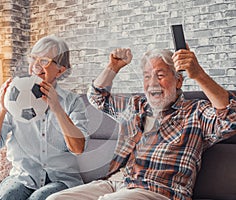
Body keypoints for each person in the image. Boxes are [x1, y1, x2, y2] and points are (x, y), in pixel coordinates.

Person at [47, 45, 236, 200]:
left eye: (160, 75)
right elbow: (97, 97)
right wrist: (113, 67)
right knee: (55, 199)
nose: (152, 83)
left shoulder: (196, 112)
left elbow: (230, 117)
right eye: (147, 76)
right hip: (118, 183)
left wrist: (198, 75)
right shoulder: (136, 105)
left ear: (178, 81)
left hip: (159, 190)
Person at [0, 35, 88, 200]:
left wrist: (57, 109)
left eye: (44, 60)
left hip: (61, 180)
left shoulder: (73, 102)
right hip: (22, 177)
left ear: (60, 70)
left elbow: (78, 148)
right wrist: (2, 108)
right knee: (9, 196)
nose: (35, 65)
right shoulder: (15, 98)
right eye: (33, 59)